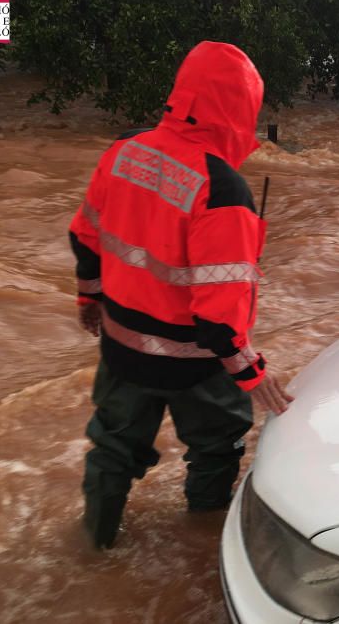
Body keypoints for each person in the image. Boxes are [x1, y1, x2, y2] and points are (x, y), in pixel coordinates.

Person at [68, 41, 293, 549]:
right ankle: (200, 546)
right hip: (196, 367)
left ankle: (91, 549)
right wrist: (255, 376)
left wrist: (89, 300)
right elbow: (218, 321)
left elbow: (84, 237)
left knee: (110, 451)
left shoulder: (125, 150)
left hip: (121, 352)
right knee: (217, 450)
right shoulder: (223, 189)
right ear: (242, 109)